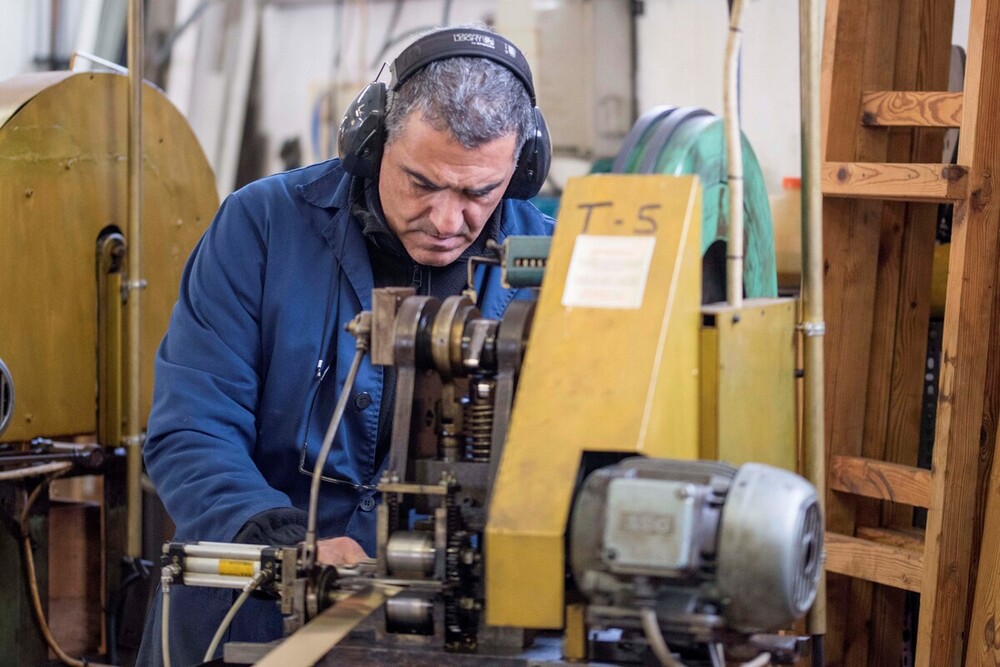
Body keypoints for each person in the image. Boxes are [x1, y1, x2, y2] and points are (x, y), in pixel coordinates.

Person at [136, 24, 554, 665]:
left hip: (462, 621)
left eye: (478, 192)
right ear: (371, 139)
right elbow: (191, 428)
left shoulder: (556, 265)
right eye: (421, 182)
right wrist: (281, 544)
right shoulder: (261, 226)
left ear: (520, 170)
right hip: (254, 613)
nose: (447, 221)